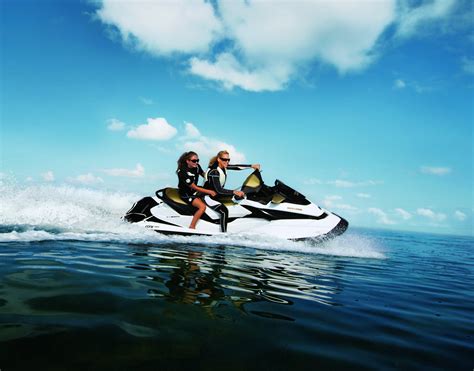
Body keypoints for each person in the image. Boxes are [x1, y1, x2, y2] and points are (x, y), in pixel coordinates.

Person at [204, 150, 260, 232]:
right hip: (208, 197)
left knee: (238, 199)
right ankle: (223, 234)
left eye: (228, 160)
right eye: (224, 159)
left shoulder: (223, 167)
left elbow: (237, 167)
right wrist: (234, 192)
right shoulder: (214, 171)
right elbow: (218, 190)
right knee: (224, 211)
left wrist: (251, 166)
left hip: (217, 195)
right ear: (218, 159)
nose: (226, 162)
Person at [176, 151, 216, 229]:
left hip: (194, 191)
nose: (196, 162)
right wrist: (209, 191)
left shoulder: (197, 167)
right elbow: (194, 187)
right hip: (186, 194)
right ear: (188, 161)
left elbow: (204, 175)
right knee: (202, 207)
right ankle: (192, 226)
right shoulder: (182, 171)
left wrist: (214, 179)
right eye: (194, 161)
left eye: (197, 160)